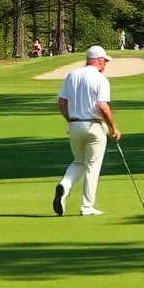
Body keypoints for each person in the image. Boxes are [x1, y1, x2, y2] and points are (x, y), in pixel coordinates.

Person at [53, 45, 121, 217]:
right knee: (92, 166)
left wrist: (71, 121)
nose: (105, 65)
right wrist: (113, 127)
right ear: (99, 60)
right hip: (93, 127)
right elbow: (102, 106)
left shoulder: (72, 75)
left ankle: (64, 186)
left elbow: (61, 103)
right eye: (104, 61)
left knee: (78, 162)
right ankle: (87, 206)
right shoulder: (100, 79)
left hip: (74, 125)